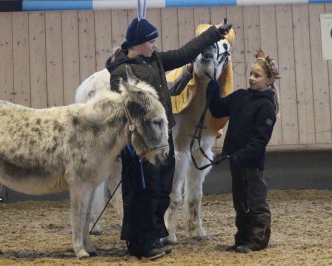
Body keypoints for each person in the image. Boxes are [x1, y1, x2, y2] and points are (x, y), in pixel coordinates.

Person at [105, 17, 232, 259]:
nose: (155, 45)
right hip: (142, 143)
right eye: (151, 41)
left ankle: (153, 236)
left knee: (160, 190)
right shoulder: (122, 72)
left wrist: (214, 33)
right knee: (143, 192)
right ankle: (141, 243)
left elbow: (187, 53)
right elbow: (122, 110)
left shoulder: (156, 61)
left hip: (162, 137)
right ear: (138, 43)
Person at [207, 49, 280, 253]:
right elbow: (218, 108)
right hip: (236, 161)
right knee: (240, 201)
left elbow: (259, 141)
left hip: (251, 163)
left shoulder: (266, 107)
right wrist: (212, 85)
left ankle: (258, 239)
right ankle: (243, 238)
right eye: (250, 73)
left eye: (257, 76)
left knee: (255, 201)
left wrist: (241, 155)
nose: (251, 78)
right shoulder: (240, 97)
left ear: (268, 81)